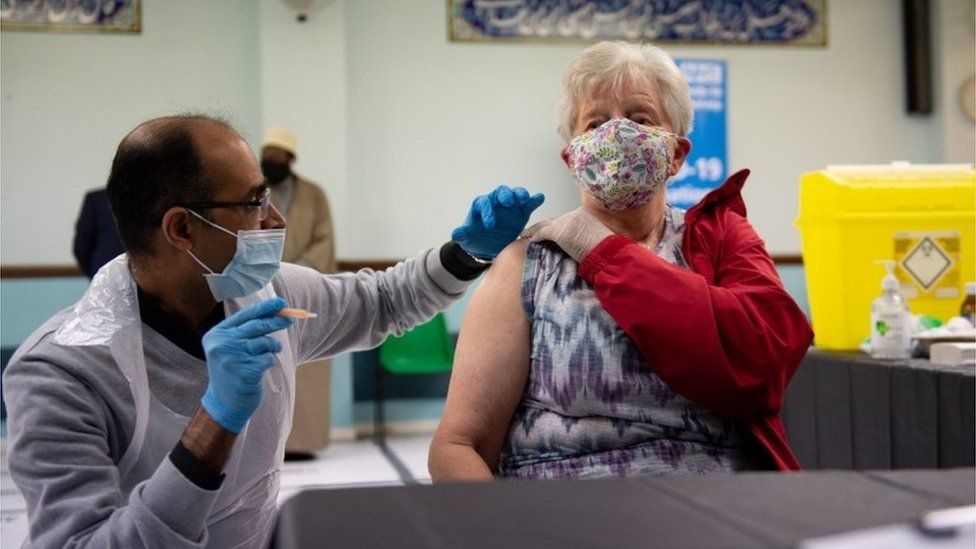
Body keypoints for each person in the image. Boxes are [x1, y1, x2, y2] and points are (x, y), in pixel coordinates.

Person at [3, 113, 544, 548]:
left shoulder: (267, 294)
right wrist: (213, 423)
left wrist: (468, 252)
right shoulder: (62, 373)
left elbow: (382, 300)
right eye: (255, 203)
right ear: (183, 227)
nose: (278, 223)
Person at [429, 41, 813, 482]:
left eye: (640, 118)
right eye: (595, 122)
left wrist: (599, 246)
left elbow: (764, 364)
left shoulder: (719, 237)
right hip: (563, 510)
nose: (617, 134)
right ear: (572, 158)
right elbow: (458, 445)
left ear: (677, 153)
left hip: (715, 501)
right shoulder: (529, 265)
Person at [259, 126, 337, 460]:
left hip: (305, 291)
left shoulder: (314, 194)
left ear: (290, 159)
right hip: (261, 291)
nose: (272, 161)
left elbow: (324, 240)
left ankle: (303, 443)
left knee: (308, 366)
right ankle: (266, 446)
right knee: (264, 367)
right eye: (268, 156)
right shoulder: (253, 193)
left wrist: (293, 273)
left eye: (279, 157)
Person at [73, 187, 125, 278]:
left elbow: (81, 244)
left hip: (102, 272)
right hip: (143, 277)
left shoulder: (96, 198)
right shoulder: (148, 198)